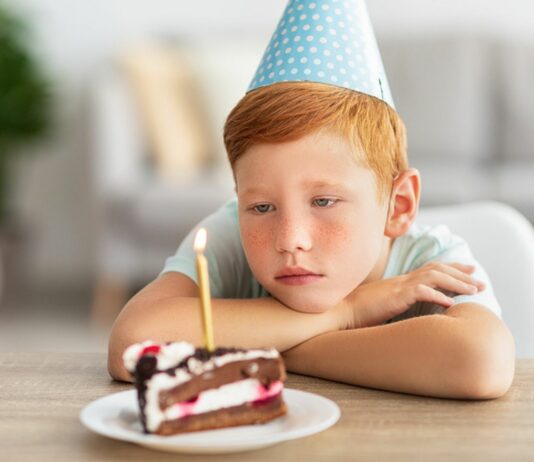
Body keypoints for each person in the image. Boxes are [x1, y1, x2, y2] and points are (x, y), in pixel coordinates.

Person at [107, 0, 515, 399]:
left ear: (400, 204)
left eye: (323, 201)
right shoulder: (228, 233)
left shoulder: (432, 262)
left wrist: (281, 346)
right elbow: (129, 346)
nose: (290, 239)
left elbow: (481, 362)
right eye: (262, 207)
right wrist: (346, 312)